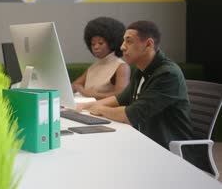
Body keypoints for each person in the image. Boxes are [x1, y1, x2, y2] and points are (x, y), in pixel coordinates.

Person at [76, 21, 195, 150]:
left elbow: (130, 115)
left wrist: (99, 109)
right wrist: (84, 106)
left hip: (169, 149)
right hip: (147, 141)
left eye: (129, 41)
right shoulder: (141, 70)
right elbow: (120, 99)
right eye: (123, 41)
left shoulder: (168, 74)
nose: (122, 47)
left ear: (148, 44)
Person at [72, 17, 130, 99]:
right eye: (93, 44)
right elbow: (74, 85)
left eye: (100, 43)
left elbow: (121, 96)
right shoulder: (94, 67)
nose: (96, 47)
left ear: (112, 43)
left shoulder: (121, 67)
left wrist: (87, 94)